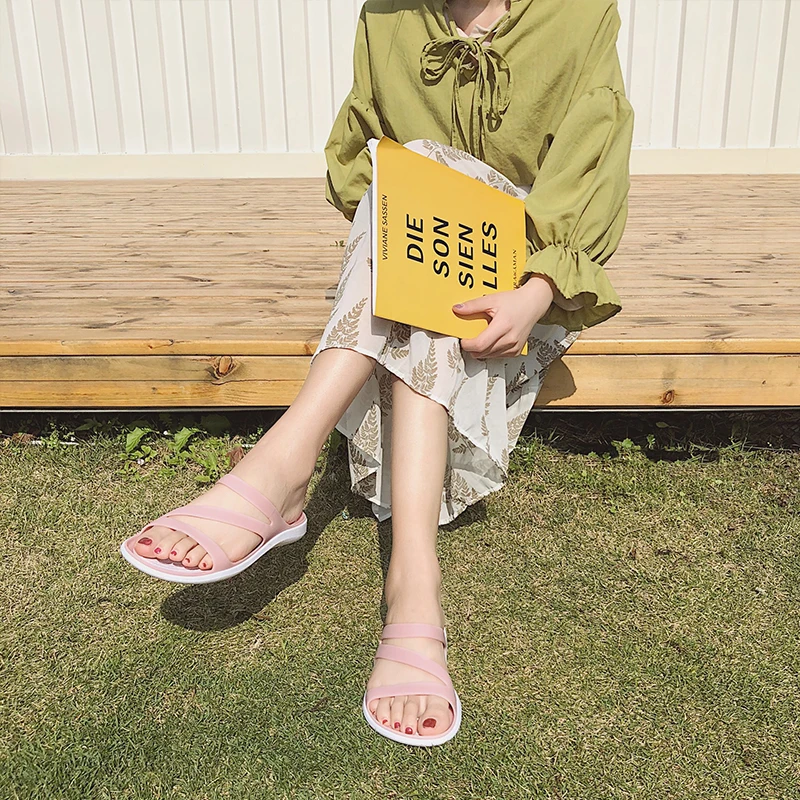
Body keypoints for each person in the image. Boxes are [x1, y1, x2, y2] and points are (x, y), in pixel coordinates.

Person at [121, 0, 634, 747]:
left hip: (520, 290)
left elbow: (594, 173)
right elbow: (360, 162)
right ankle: (413, 584)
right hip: (409, 268)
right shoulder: (388, 14)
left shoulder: (580, 16)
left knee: (423, 197)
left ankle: (281, 467)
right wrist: (413, 224)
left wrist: (536, 291)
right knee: (413, 191)